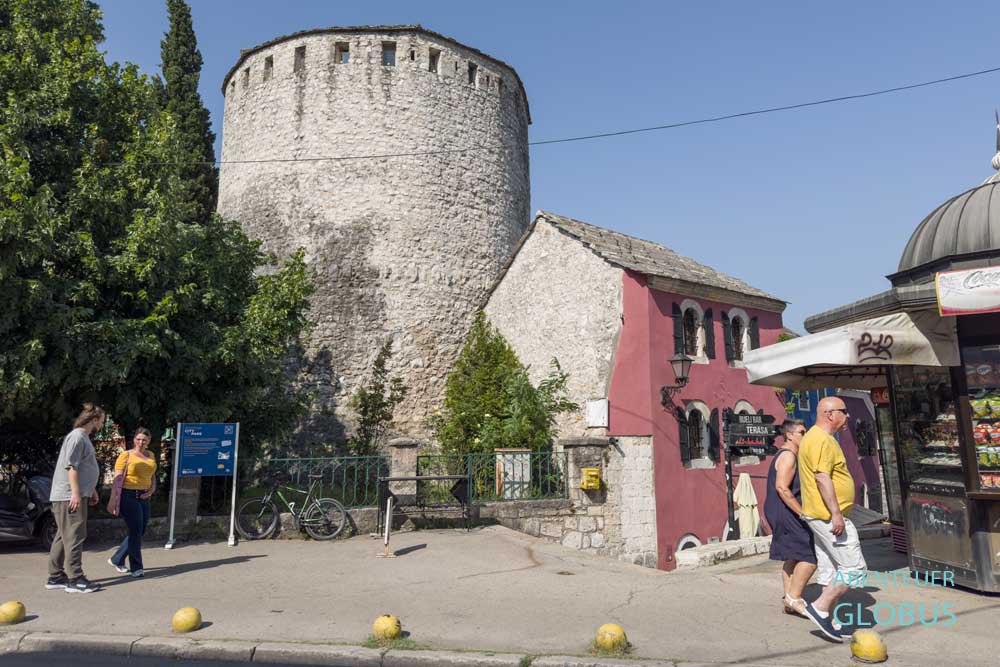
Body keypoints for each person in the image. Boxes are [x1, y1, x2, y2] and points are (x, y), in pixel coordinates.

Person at [798, 396, 866, 641]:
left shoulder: (818, 438)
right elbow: (822, 477)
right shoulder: (821, 440)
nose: (848, 416)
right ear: (829, 414)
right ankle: (819, 608)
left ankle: (829, 619)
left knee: (832, 570)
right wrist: (836, 514)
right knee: (854, 570)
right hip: (828, 517)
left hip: (821, 515)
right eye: (843, 411)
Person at [47, 404, 105, 593]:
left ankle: (55, 577)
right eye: (102, 421)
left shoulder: (83, 437)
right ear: (94, 420)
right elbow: (71, 466)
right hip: (68, 495)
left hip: (72, 494)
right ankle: (75, 578)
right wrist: (75, 493)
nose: (102, 424)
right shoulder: (77, 437)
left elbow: (84, 467)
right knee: (75, 535)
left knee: (64, 535)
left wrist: (91, 489)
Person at [763, 419, 816, 617]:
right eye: (802, 432)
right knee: (810, 556)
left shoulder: (788, 454)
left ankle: (789, 600)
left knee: (792, 555)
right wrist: (802, 512)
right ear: (790, 435)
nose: (805, 435)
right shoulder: (788, 456)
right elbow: (782, 488)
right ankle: (795, 598)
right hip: (786, 513)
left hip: (782, 512)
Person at [106, 427, 157, 578]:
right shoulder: (126, 455)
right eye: (138, 439)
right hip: (128, 496)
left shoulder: (151, 455)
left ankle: (117, 559)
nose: (141, 442)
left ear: (149, 441)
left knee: (140, 531)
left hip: (144, 496)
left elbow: (152, 474)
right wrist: (113, 499)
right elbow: (117, 479)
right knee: (135, 531)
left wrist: (152, 489)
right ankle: (136, 567)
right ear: (134, 440)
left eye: (144, 440)